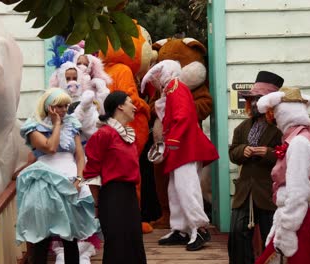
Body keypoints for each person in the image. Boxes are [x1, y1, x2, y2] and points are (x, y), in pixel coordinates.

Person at [140, 60, 219, 251]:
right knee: (175, 190)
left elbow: (183, 115)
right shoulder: (170, 90)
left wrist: (172, 141)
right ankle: (181, 228)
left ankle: (199, 228)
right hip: (179, 148)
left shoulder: (176, 87)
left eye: (157, 76)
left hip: (185, 147)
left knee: (186, 188)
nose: (155, 80)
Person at [15, 88, 100, 264]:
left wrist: (78, 179)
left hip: (70, 182)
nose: (63, 110)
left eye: (65, 106)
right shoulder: (33, 127)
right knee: (42, 236)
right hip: (44, 183)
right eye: (58, 106)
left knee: (70, 237)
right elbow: (51, 147)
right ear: (48, 107)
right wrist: (57, 124)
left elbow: (79, 155)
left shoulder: (73, 123)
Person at [255, 87, 310, 264]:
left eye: (276, 114)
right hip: (297, 216)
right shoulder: (302, 138)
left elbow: (298, 191)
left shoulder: (299, 143)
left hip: (297, 220)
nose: (275, 119)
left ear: (284, 115)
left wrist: (287, 231)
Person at [83, 91, 147, 264]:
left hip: (129, 194)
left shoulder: (128, 135)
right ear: (120, 106)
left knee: (134, 242)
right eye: (129, 103)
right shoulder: (103, 134)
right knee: (117, 244)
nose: (134, 107)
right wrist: (98, 203)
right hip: (111, 195)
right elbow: (91, 172)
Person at [228, 71, 284, 264]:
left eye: (257, 99)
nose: (253, 103)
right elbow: (232, 152)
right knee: (236, 233)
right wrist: (242, 150)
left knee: (271, 237)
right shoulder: (241, 128)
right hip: (245, 190)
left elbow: (287, 154)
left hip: (268, 191)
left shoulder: (280, 128)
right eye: (251, 99)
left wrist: (267, 153)